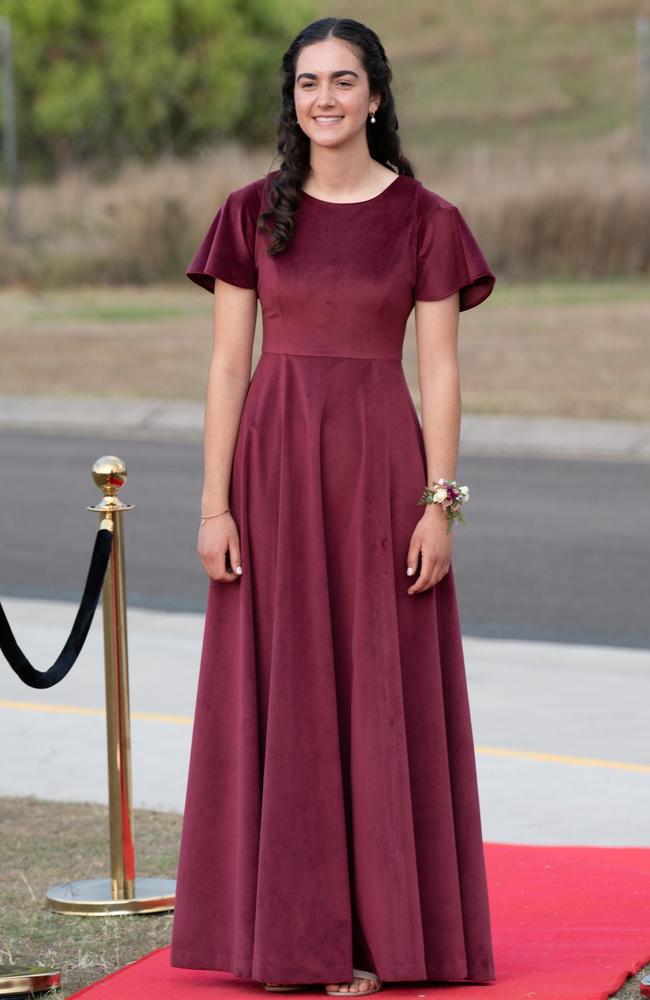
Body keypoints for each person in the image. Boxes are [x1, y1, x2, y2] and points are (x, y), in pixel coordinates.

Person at [169, 16, 497, 997]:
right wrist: (212, 504)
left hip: (381, 470)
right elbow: (228, 366)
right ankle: (292, 940)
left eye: (343, 80)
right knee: (285, 695)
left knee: (379, 691)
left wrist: (441, 503)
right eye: (307, 82)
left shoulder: (426, 219)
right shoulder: (247, 214)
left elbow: (437, 372)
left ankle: (388, 938)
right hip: (270, 472)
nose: (324, 98)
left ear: (375, 94)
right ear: (291, 98)